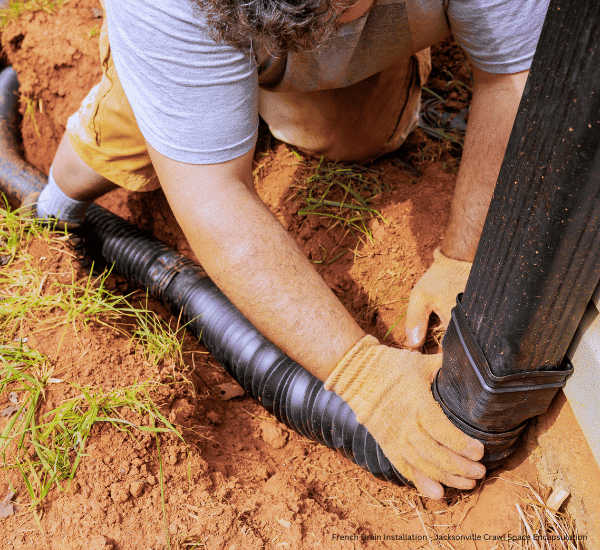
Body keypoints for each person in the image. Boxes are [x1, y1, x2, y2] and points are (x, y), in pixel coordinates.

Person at [24, 0, 550, 499]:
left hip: (340, 40)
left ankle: (253, 106)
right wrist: (363, 377)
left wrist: (464, 254)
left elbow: (515, 76)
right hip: (193, 32)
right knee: (123, 140)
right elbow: (212, 194)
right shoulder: (168, 9)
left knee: (361, 135)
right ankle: (45, 205)